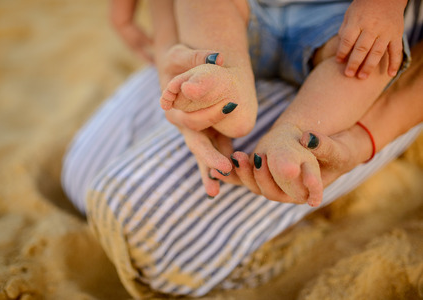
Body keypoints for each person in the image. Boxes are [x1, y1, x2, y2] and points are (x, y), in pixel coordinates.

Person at [61, 0, 423, 297]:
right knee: (79, 175)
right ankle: (226, 81)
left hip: (346, 28)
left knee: (370, 60)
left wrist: (383, 6)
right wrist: (172, 58)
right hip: (243, 19)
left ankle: (293, 133)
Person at [157, 0, 409, 207]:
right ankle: (229, 82)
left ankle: (293, 133)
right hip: (243, 13)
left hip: (340, 20)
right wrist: (166, 53)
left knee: (377, 55)